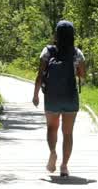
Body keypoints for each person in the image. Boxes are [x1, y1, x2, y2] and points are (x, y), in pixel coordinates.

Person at [33, 20, 86, 177]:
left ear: (56, 34)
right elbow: (82, 76)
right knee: (68, 133)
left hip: (52, 96)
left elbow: (40, 75)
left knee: (52, 128)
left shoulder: (48, 51)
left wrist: (35, 94)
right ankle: (64, 166)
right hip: (70, 97)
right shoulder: (77, 53)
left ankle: (53, 152)